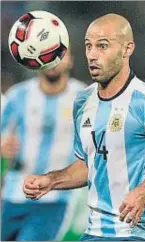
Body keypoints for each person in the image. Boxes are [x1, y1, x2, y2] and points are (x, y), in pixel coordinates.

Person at [22, 13, 145, 241]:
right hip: (94, 233)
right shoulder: (83, 102)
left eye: (102, 46)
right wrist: (51, 180)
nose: (92, 55)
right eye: (88, 46)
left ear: (127, 49)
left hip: (139, 232)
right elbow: (89, 164)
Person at [1, 50, 87, 241]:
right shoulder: (17, 96)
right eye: (48, 53)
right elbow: (3, 135)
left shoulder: (83, 98)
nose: (54, 60)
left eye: (60, 54)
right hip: (12, 195)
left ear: (71, 60)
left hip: (55, 200)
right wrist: (3, 146)